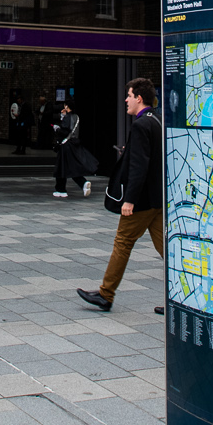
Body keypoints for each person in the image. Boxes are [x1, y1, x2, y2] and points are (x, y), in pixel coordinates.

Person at [78, 79, 164, 313]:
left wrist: (130, 200)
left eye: (129, 95)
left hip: (142, 202)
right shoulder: (156, 120)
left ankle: (106, 295)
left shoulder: (139, 126)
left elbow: (139, 167)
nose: (126, 100)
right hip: (157, 200)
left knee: (123, 243)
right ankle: (184, 299)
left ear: (139, 98)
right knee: (167, 249)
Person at [53, 103, 90, 198]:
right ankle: (83, 183)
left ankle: (61, 190)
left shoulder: (67, 118)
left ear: (66, 106)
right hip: (74, 143)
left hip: (65, 145)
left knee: (61, 167)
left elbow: (65, 131)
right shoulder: (76, 117)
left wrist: (57, 129)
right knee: (71, 167)